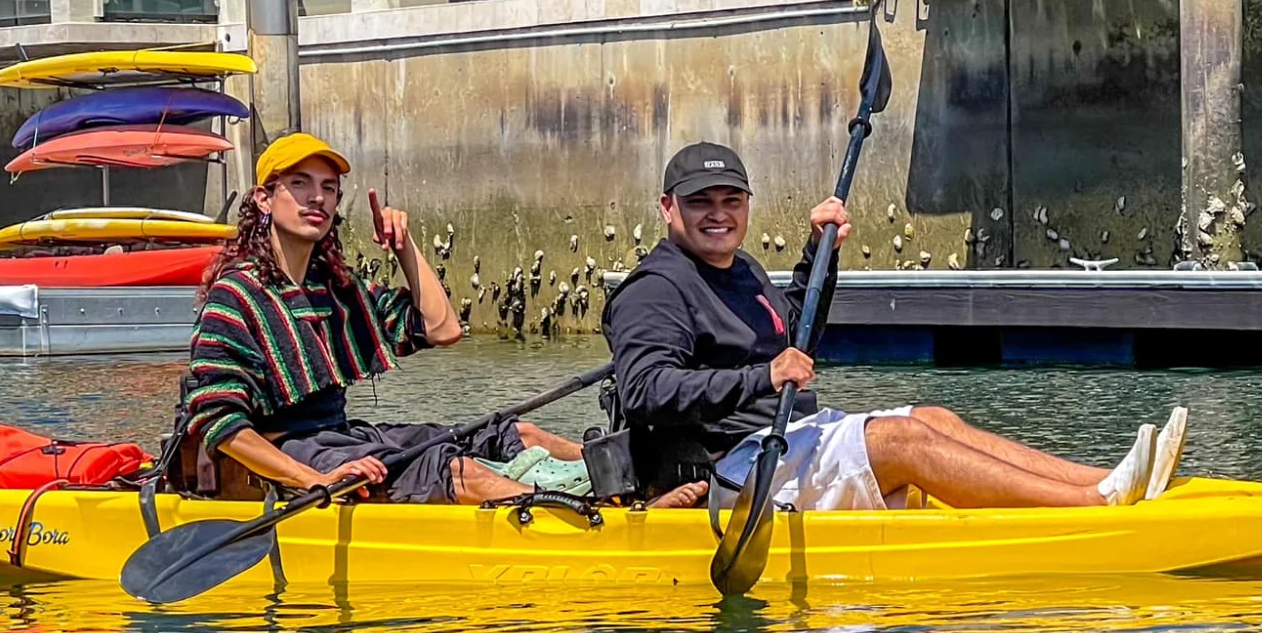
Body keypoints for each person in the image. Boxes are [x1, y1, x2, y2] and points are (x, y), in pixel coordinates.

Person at [601, 142, 1190, 512]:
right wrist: (762, 377)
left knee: (929, 419)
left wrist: (817, 255)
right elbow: (647, 392)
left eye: (732, 200)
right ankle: (1090, 505)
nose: (719, 214)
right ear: (668, 208)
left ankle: (1102, 479)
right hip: (726, 471)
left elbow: (793, 336)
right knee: (902, 442)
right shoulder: (656, 290)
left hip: (783, 442)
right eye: (702, 202)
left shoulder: (740, 270)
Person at [180, 133, 579, 505]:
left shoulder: (336, 290)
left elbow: (443, 329)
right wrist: (310, 479)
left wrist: (403, 247)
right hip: (290, 453)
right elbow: (220, 423)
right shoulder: (234, 296)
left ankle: (624, 476)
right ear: (264, 200)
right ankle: (581, 517)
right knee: (453, 471)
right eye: (299, 184)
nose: (316, 197)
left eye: (328, 188)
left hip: (341, 437)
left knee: (515, 433)